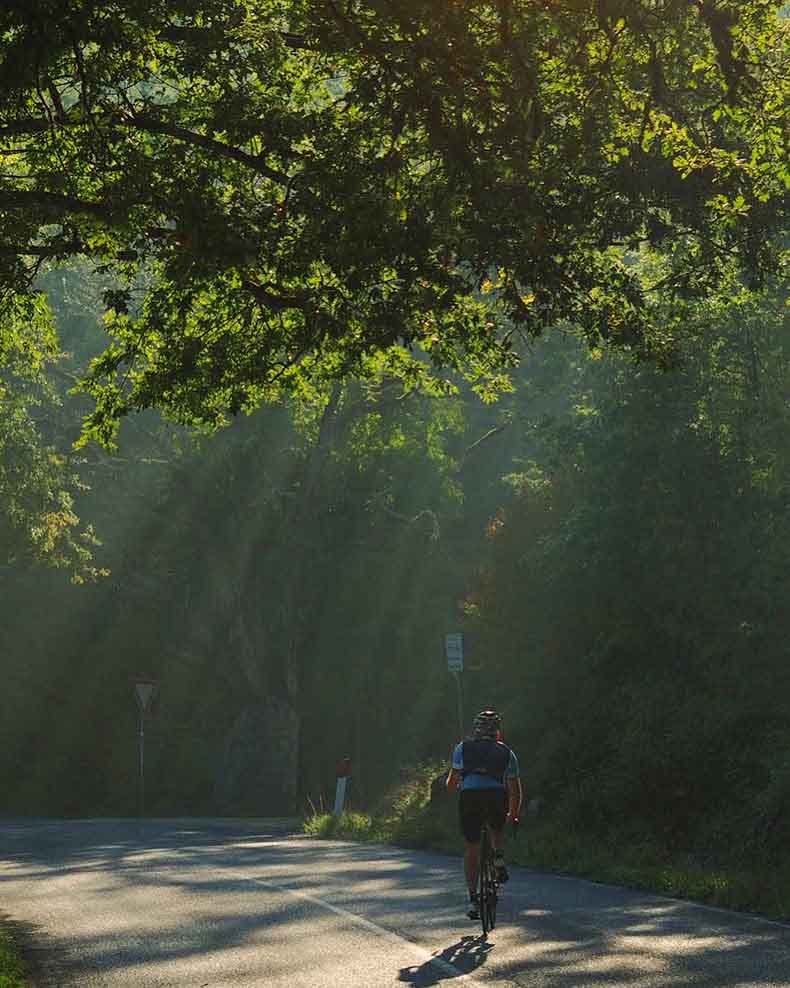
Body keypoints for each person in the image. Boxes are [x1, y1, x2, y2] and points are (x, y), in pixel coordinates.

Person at [446, 708, 522, 920]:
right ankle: (498, 855)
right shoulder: (507, 752)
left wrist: (457, 786)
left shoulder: (462, 748)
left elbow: (451, 784)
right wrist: (513, 814)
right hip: (496, 796)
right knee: (496, 827)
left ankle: (472, 898)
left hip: (470, 796)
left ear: (475, 730)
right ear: (498, 732)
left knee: (471, 846)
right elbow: (515, 789)